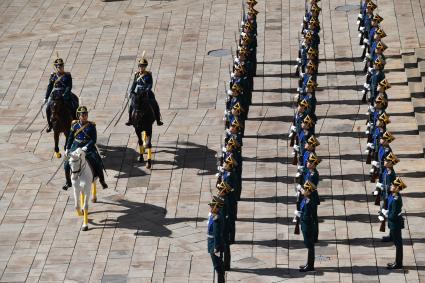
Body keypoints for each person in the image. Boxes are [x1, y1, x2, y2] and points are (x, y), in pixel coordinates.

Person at [64, 106, 108, 190]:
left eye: (85, 114)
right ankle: (68, 182)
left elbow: (93, 140)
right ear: (78, 116)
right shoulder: (75, 125)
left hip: (88, 146)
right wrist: (67, 149)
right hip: (75, 146)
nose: (84, 116)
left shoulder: (91, 126)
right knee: (66, 163)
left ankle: (102, 180)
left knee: (97, 161)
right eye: (82, 115)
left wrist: (86, 147)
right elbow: (70, 138)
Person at [44, 56, 78, 132]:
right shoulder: (53, 76)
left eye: (61, 66)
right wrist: (46, 97)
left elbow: (69, 86)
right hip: (55, 94)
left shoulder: (67, 75)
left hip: (65, 94)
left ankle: (75, 122)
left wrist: (65, 94)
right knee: (47, 108)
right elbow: (50, 87)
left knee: (74, 105)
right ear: (56, 68)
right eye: (58, 67)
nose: (60, 68)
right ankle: (50, 125)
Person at [126, 58, 163, 126]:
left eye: (143, 66)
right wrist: (131, 91)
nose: (141, 67)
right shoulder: (137, 75)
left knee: (155, 104)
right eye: (140, 66)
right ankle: (130, 119)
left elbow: (150, 84)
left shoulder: (148, 74)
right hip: (138, 92)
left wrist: (146, 90)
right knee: (132, 105)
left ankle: (158, 120)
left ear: (145, 67)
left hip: (147, 92)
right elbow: (134, 84)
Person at [384, 177, 406, 269]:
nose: (391, 186)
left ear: (397, 188)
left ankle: (398, 263)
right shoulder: (392, 195)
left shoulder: (396, 199)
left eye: (393, 186)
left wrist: (386, 214)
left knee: (398, 244)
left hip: (395, 224)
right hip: (393, 223)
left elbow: (393, 215)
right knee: (397, 243)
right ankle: (397, 262)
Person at [207, 196, 225, 283]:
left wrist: (216, 247)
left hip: (214, 244)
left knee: (218, 267)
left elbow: (217, 234)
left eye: (212, 206)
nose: (210, 207)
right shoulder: (214, 215)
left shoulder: (216, 219)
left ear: (216, 207)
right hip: (212, 243)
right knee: (218, 266)